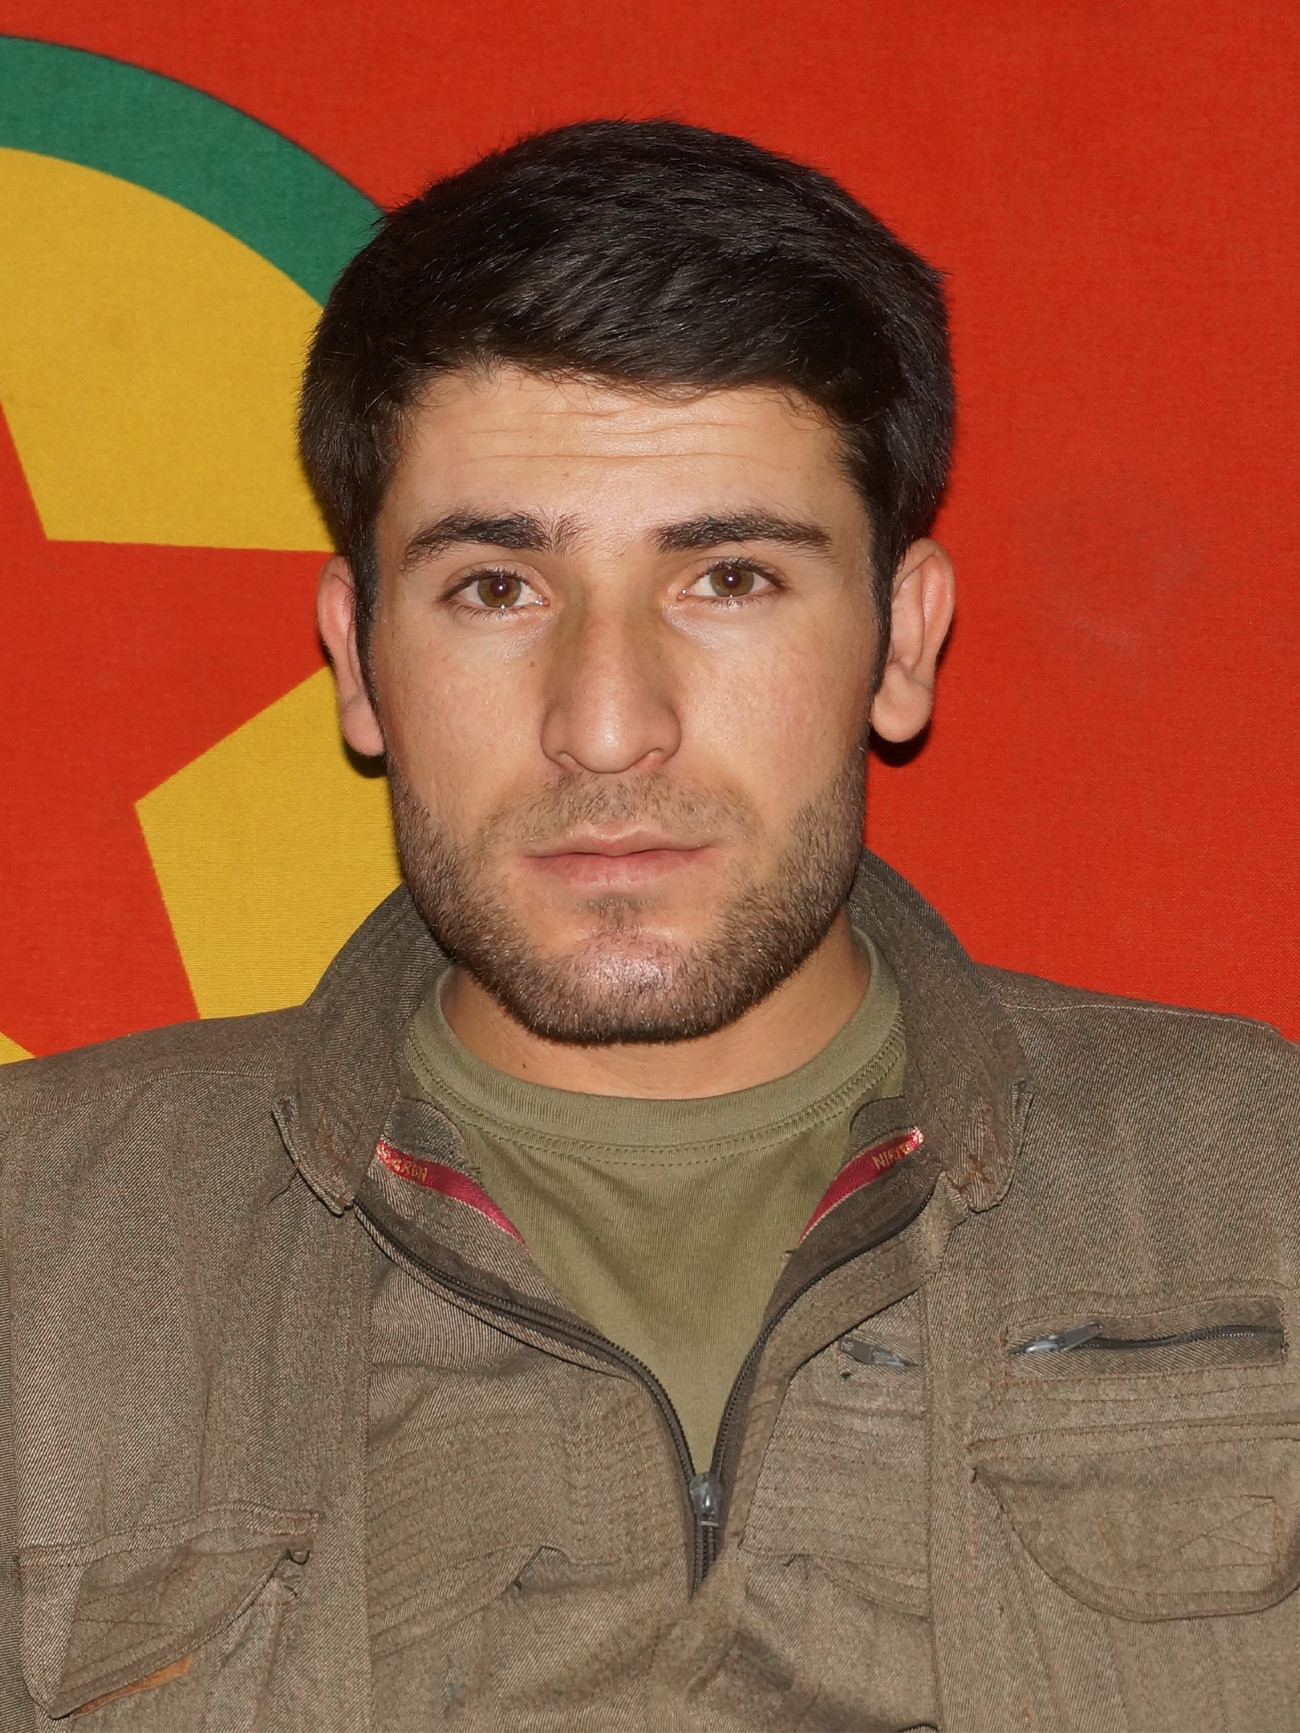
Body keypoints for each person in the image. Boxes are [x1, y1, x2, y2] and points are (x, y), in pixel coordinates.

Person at [1, 118, 1297, 1733]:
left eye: (729, 576)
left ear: (903, 641)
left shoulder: (1265, 1191)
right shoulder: (36, 1249)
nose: (607, 724)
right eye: (496, 587)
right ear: (358, 658)